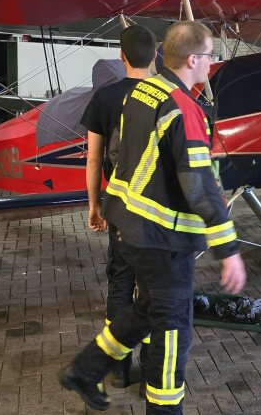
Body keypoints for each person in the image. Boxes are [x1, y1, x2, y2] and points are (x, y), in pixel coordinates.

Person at [59, 21, 247, 413]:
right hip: (164, 240)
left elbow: (119, 155)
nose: (212, 62)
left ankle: (86, 370)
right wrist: (228, 249)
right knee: (172, 332)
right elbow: (199, 184)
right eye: (210, 55)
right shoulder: (185, 109)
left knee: (146, 310)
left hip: (131, 228)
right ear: (193, 59)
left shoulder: (143, 92)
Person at [79, 25, 156, 388]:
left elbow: (94, 159)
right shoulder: (167, 97)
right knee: (153, 288)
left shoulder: (105, 98)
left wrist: (94, 205)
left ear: (122, 57)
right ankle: (153, 373)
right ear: (154, 57)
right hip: (157, 213)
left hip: (121, 210)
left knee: (121, 283)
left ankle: (119, 371)